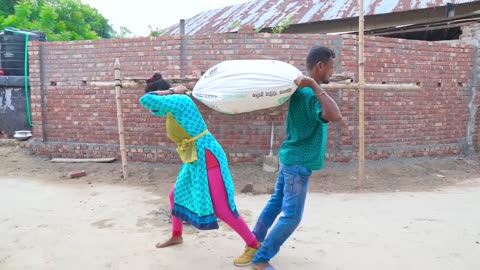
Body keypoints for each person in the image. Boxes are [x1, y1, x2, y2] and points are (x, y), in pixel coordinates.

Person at [234, 46, 343, 270]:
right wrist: (314, 84)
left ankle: (254, 244)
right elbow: (335, 115)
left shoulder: (302, 92)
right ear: (320, 66)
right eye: (332, 67)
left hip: (290, 158)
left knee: (275, 203)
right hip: (298, 163)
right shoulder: (311, 92)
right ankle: (261, 259)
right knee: (292, 216)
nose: (333, 72)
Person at [139, 74, 260, 264]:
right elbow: (153, 107)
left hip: (207, 155)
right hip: (194, 158)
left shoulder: (179, 100)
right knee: (175, 195)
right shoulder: (171, 106)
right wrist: (167, 92)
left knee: (222, 208)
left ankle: (253, 245)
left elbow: (146, 99)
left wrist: (172, 90)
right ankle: (177, 235)